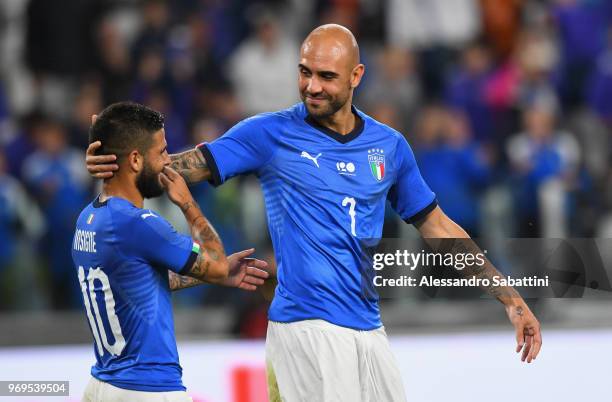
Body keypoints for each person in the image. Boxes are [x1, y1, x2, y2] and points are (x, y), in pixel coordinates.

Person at [87, 25, 542, 402]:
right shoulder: (269, 133)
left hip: (368, 329)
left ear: (356, 76)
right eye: (304, 72)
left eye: (325, 76)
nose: (311, 86)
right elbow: (177, 168)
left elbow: (439, 228)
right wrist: (119, 165)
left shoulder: (389, 147)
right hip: (304, 332)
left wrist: (510, 298)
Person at [75, 102, 269, 402]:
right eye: (163, 151)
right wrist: (188, 204)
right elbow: (216, 263)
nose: (169, 161)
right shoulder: (141, 224)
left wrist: (210, 275)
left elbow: (138, 280)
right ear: (136, 160)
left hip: (102, 383)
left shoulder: (89, 218)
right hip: (147, 388)